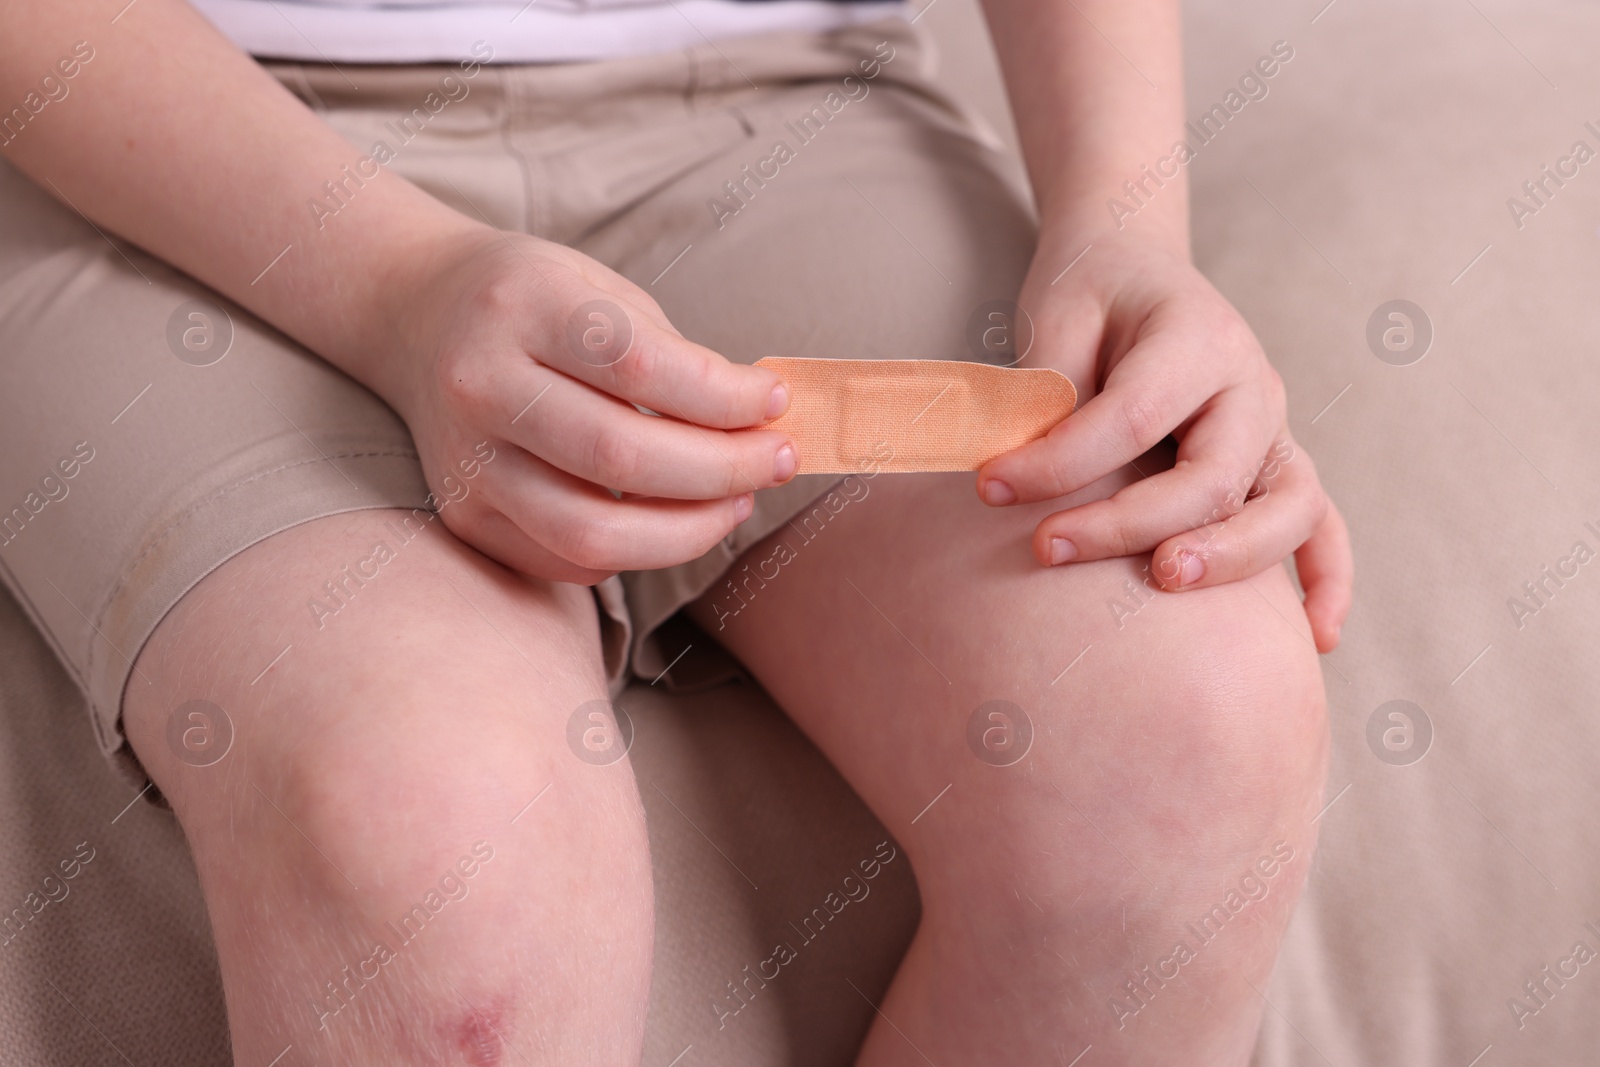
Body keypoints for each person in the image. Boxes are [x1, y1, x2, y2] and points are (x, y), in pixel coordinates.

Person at [0, 0, 1352, 1062]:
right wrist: (398, 291)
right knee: (435, 845)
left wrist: (1126, 228)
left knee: (1196, 733)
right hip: (164, 141)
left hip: (789, 108)